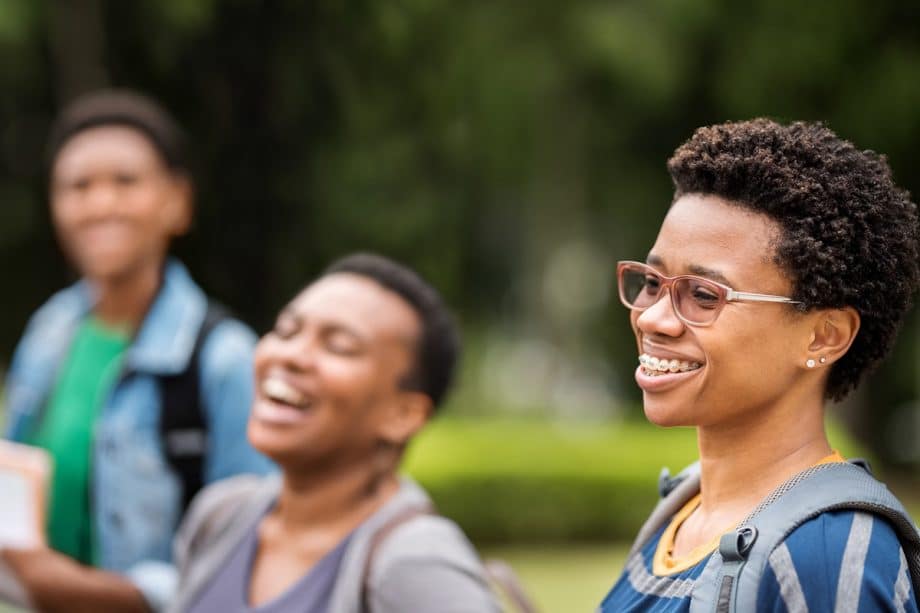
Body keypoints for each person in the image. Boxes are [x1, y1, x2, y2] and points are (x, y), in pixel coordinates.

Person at [600, 119, 920, 611]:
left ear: (824, 335)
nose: (655, 318)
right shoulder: (682, 511)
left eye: (703, 295)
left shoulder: (826, 556)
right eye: (652, 282)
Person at [1, 89, 274, 612]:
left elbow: (254, 558)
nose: (101, 204)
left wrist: (107, 596)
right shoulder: (50, 332)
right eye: (78, 186)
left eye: (125, 182)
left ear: (178, 202)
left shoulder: (226, 360)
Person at [167, 253, 500, 613]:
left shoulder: (414, 563)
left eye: (338, 345)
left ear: (403, 415)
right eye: (286, 330)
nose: (291, 355)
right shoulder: (220, 516)